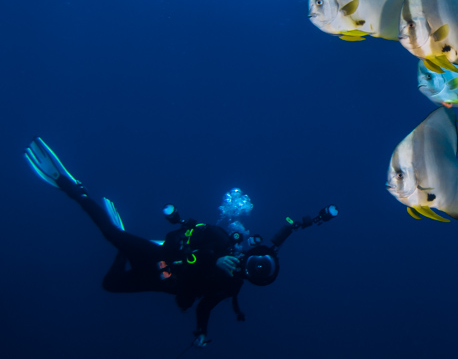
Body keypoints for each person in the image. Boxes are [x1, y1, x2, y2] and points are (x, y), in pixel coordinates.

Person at [24, 137, 281, 348]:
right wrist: (215, 258)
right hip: (160, 255)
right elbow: (202, 241)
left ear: (254, 279)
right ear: (252, 253)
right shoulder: (223, 241)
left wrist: (201, 331)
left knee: (110, 284)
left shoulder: (231, 287)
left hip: (165, 281)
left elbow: (205, 306)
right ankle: (72, 188)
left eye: (257, 272)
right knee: (110, 234)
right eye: (256, 262)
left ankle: (122, 241)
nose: (251, 267)